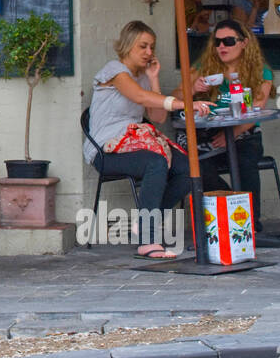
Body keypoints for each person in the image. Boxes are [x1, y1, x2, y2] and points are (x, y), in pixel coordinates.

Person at [85, 22, 210, 258]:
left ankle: (144, 222)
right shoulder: (115, 71)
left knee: (188, 167)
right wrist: (186, 105)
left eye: (152, 47)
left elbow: (157, 117)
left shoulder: (142, 77)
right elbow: (139, 96)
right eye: (143, 46)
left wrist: (153, 78)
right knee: (156, 162)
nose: (149, 52)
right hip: (105, 150)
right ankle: (147, 239)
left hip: (133, 144)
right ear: (127, 45)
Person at [176, 19, 274, 231]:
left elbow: (256, 108)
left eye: (228, 41)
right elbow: (175, 97)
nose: (221, 46)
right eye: (217, 42)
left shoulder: (260, 71)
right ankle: (233, 207)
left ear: (244, 43)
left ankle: (251, 225)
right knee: (197, 165)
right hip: (207, 132)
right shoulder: (204, 68)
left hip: (244, 131)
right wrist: (192, 88)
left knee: (246, 161)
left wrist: (233, 135)